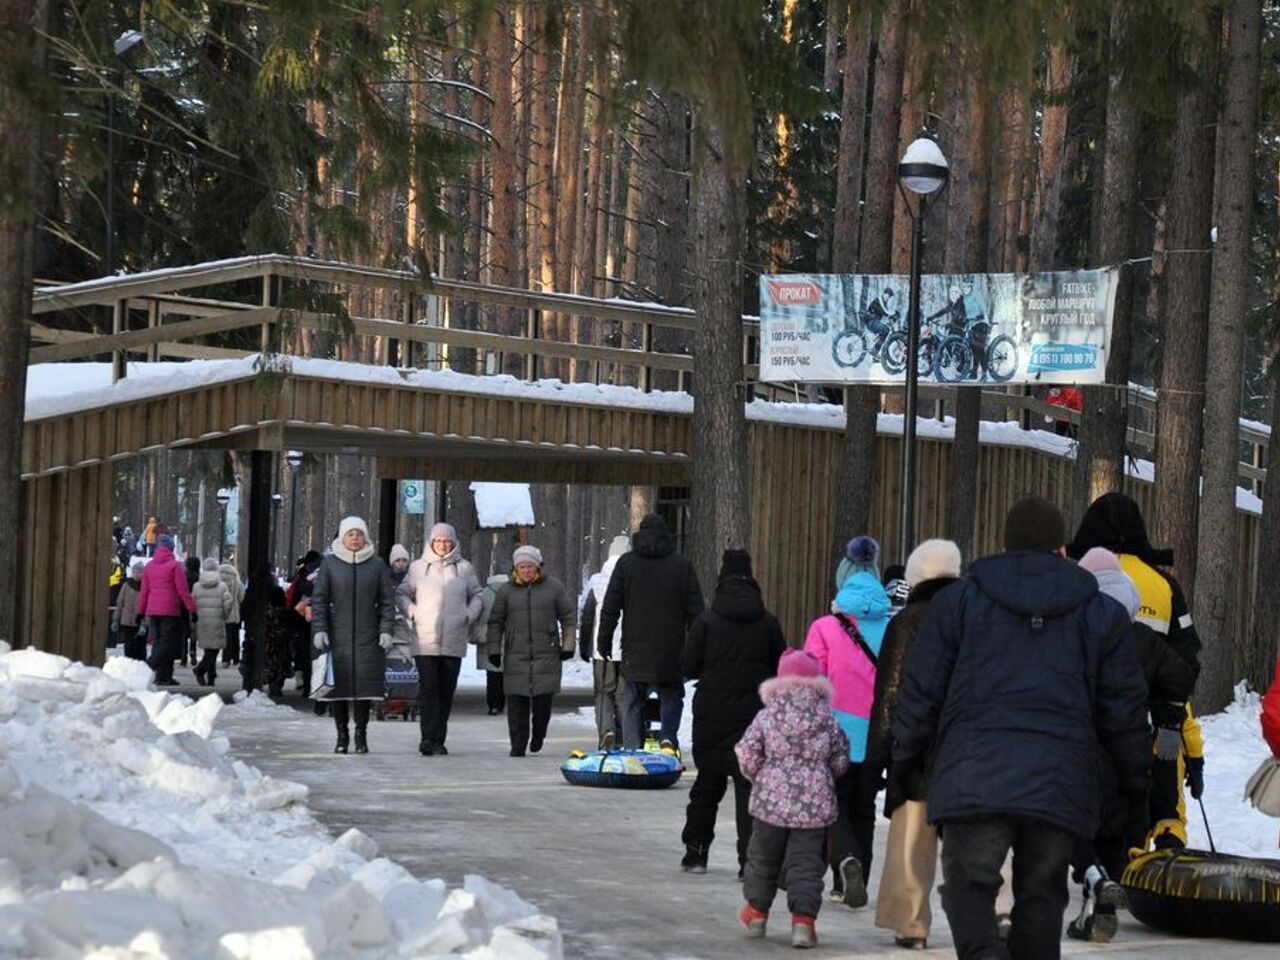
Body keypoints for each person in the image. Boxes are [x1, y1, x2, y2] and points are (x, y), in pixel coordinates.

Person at [893, 498, 1149, 960]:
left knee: (968, 885)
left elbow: (921, 689)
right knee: (1042, 893)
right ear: (1062, 551)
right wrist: (1135, 784)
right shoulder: (1100, 614)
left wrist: (905, 758)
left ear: (1005, 547)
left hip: (975, 771)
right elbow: (1124, 710)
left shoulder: (958, 604)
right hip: (1061, 777)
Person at [1067, 547, 1197, 943]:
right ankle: (1110, 882)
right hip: (1132, 746)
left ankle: (1095, 889)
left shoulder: (1075, 632)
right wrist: (1159, 701)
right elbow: (1182, 677)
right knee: (1119, 825)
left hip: (1083, 747)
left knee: (1081, 825)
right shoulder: (1144, 638)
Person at [1068, 491, 1203, 851]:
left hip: (1084, 724)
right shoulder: (1164, 586)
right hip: (1149, 722)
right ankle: (1166, 832)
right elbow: (1184, 664)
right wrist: (1188, 741)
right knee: (1157, 767)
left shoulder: (1078, 577)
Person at [865, 539, 962, 951]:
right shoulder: (971, 616)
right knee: (971, 844)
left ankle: (911, 924)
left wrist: (880, 753)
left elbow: (889, 691)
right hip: (962, 748)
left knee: (911, 841)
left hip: (916, 748)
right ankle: (995, 911)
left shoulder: (906, 622)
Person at [679, 549, 786, 877]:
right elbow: (780, 667)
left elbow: (687, 665)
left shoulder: (707, 621)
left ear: (721, 580)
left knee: (707, 784)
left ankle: (696, 853)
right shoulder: (768, 622)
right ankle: (749, 860)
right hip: (753, 717)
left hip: (711, 713)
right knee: (749, 788)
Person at [735, 649, 850, 949]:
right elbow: (840, 757)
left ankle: (757, 912)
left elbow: (747, 753)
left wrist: (761, 776)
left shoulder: (767, 715)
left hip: (771, 801)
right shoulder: (827, 717)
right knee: (807, 863)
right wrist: (824, 779)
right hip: (814, 804)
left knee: (762, 857)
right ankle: (803, 922)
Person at [803, 535, 890, 908]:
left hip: (834, 730)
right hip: (876, 734)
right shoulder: (891, 625)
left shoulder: (825, 626)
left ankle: (845, 864)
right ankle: (857, 880)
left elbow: (812, 683)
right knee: (863, 806)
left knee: (833, 804)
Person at [597, 514, 704, 752]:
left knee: (633, 700)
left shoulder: (626, 564)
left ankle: (634, 747)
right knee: (671, 696)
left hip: (635, 648)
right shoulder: (681, 565)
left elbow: (611, 607)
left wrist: (603, 640)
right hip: (671, 648)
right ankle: (667, 738)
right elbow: (696, 612)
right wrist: (697, 648)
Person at [311, 517, 396, 755]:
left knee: (363, 689)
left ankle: (361, 734)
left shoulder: (377, 564)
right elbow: (319, 600)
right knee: (339, 688)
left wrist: (386, 630)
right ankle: (341, 735)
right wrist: (320, 629)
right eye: (350, 534)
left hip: (368, 638)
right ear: (342, 537)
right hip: (337, 636)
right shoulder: (330, 564)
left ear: (365, 537)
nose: (355, 538)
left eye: (359, 534)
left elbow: (387, 601)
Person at [487, 545, 576, 757]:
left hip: (547, 652)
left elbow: (568, 618)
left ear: (538, 567)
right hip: (516, 653)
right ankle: (517, 744)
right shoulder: (506, 591)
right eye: (522, 567)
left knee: (542, 702)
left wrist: (568, 645)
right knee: (517, 702)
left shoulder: (554, 587)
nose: (526, 571)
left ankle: (538, 735)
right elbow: (495, 622)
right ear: (515, 569)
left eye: (530, 566)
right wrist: (494, 649)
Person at [403, 522, 483, 757]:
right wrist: (413, 612)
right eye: (438, 541)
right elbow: (402, 594)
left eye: (446, 541)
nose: (442, 545)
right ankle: (427, 738)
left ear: (454, 542)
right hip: (425, 640)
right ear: (431, 542)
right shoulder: (418, 567)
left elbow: (477, 594)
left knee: (446, 692)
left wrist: (469, 614)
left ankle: (440, 738)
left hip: (453, 639)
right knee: (429, 691)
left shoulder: (465, 569)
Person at [578, 535, 632, 748]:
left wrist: (585, 647)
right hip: (627, 647)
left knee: (603, 694)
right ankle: (625, 737)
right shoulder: (633, 577)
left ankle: (606, 732)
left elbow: (588, 617)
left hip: (602, 649)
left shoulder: (597, 581)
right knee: (623, 694)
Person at [138, 534, 196, 686]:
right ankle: (148, 667)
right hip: (170, 610)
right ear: (171, 549)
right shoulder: (175, 566)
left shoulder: (149, 566)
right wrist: (192, 610)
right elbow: (183, 591)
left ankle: (163, 676)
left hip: (152, 610)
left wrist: (140, 612)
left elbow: (144, 591)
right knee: (167, 643)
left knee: (159, 642)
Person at [191, 558, 234, 686]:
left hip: (202, 621)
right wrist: (224, 616)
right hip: (217, 620)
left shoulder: (197, 586)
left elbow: (192, 604)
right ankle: (200, 670)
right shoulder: (222, 586)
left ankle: (211, 676)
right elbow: (228, 603)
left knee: (208, 650)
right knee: (214, 650)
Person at [474, 571, 509, 715]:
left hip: (487, 637)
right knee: (505, 674)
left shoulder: (484, 594)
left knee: (492, 674)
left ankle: (493, 704)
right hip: (507, 636)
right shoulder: (511, 592)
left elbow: (476, 614)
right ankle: (501, 703)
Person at [114, 559, 146, 660]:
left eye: (139, 572)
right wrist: (115, 619)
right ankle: (129, 667)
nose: (136, 574)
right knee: (129, 646)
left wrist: (145, 624)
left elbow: (148, 607)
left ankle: (140, 668)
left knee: (140, 647)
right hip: (127, 621)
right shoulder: (126, 585)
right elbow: (120, 603)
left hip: (140, 622)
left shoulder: (146, 586)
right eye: (134, 572)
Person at [218, 560, 246, 666]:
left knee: (224, 636)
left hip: (220, 610)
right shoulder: (236, 580)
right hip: (233, 610)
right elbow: (242, 596)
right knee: (234, 635)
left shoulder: (217, 579)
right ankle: (235, 658)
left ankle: (225, 659)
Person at [182, 556, 201, 667]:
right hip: (195, 606)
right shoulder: (198, 578)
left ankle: (183, 656)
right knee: (193, 630)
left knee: (184, 631)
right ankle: (193, 651)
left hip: (184, 605)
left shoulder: (184, 577)